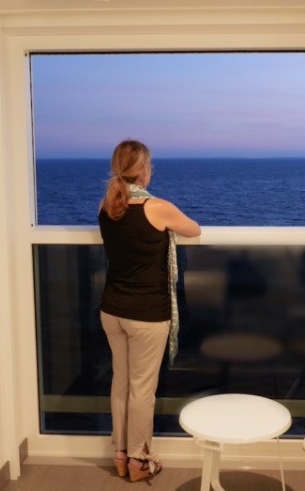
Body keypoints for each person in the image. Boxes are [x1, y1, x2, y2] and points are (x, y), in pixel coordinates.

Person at [98, 139, 201, 482]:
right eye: (149, 165)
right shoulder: (157, 207)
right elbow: (194, 229)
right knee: (142, 390)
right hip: (145, 314)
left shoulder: (107, 205)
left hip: (112, 309)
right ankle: (141, 462)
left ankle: (120, 455)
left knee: (122, 384)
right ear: (142, 170)